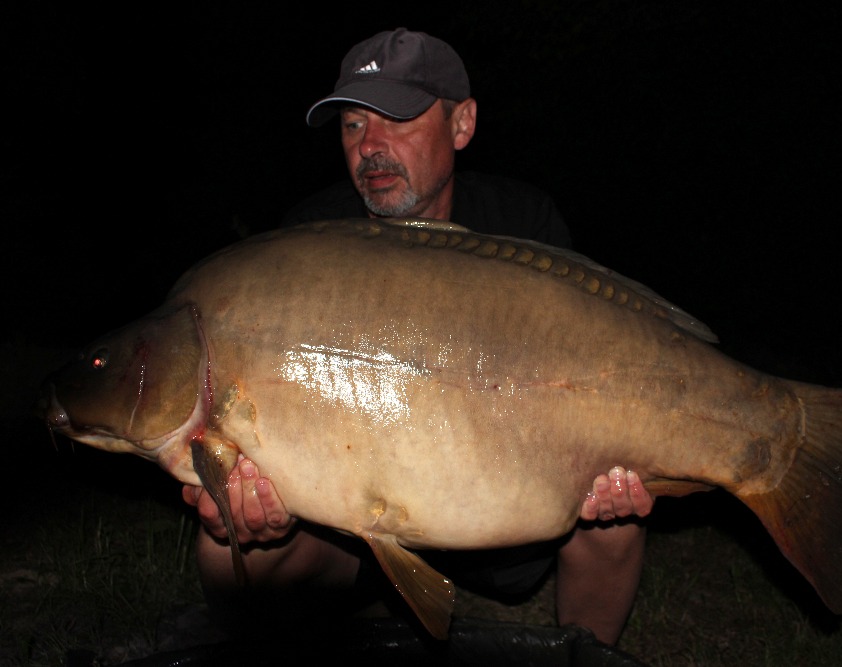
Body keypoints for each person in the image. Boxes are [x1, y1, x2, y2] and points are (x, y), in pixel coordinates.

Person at [182, 28, 654, 647]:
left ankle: (587, 658)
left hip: (505, 515)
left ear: (462, 124)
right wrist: (254, 502)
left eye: (397, 119)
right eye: (353, 125)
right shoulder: (309, 243)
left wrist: (604, 463)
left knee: (615, 523)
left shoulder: (523, 226)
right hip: (350, 534)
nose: (369, 147)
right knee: (224, 548)